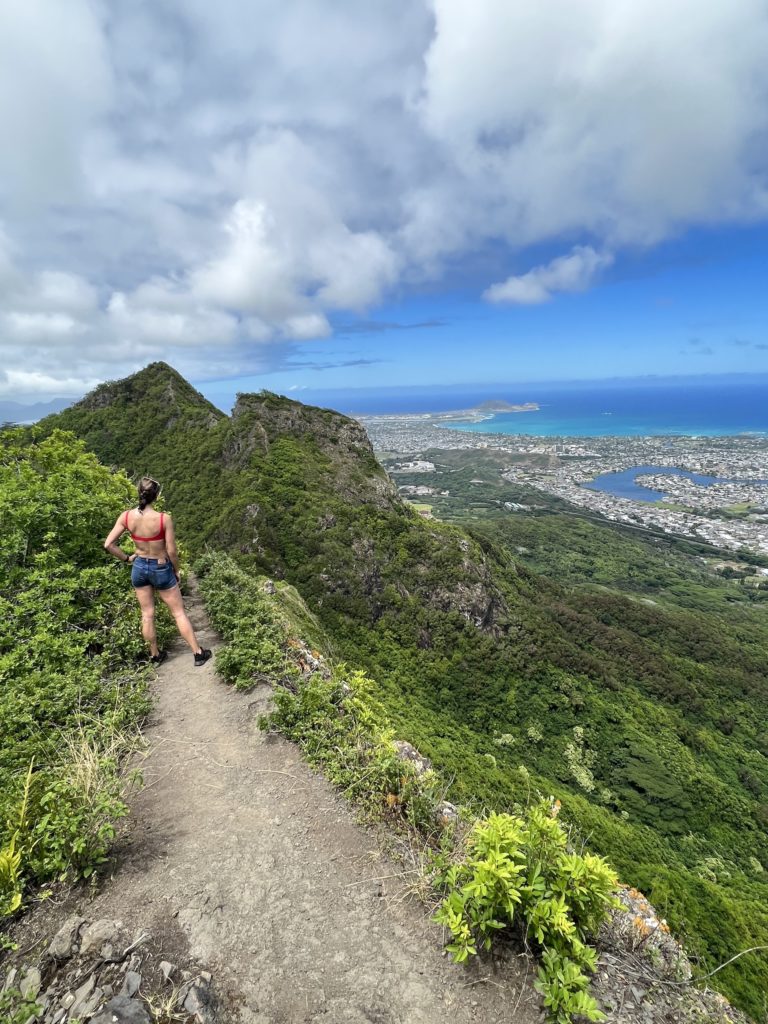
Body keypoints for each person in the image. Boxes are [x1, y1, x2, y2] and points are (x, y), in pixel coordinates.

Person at [104, 477, 212, 667]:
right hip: (160, 566)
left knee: (147, 614)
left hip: (139, 568)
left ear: (139, 493)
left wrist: (127, 558)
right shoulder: (163, 519)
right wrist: (176, 570)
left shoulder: (126, 517)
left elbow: (108, 544)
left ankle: (154, 656)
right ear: (157, 496)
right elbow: (171, 550)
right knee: (178, 613)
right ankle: (198, 653)